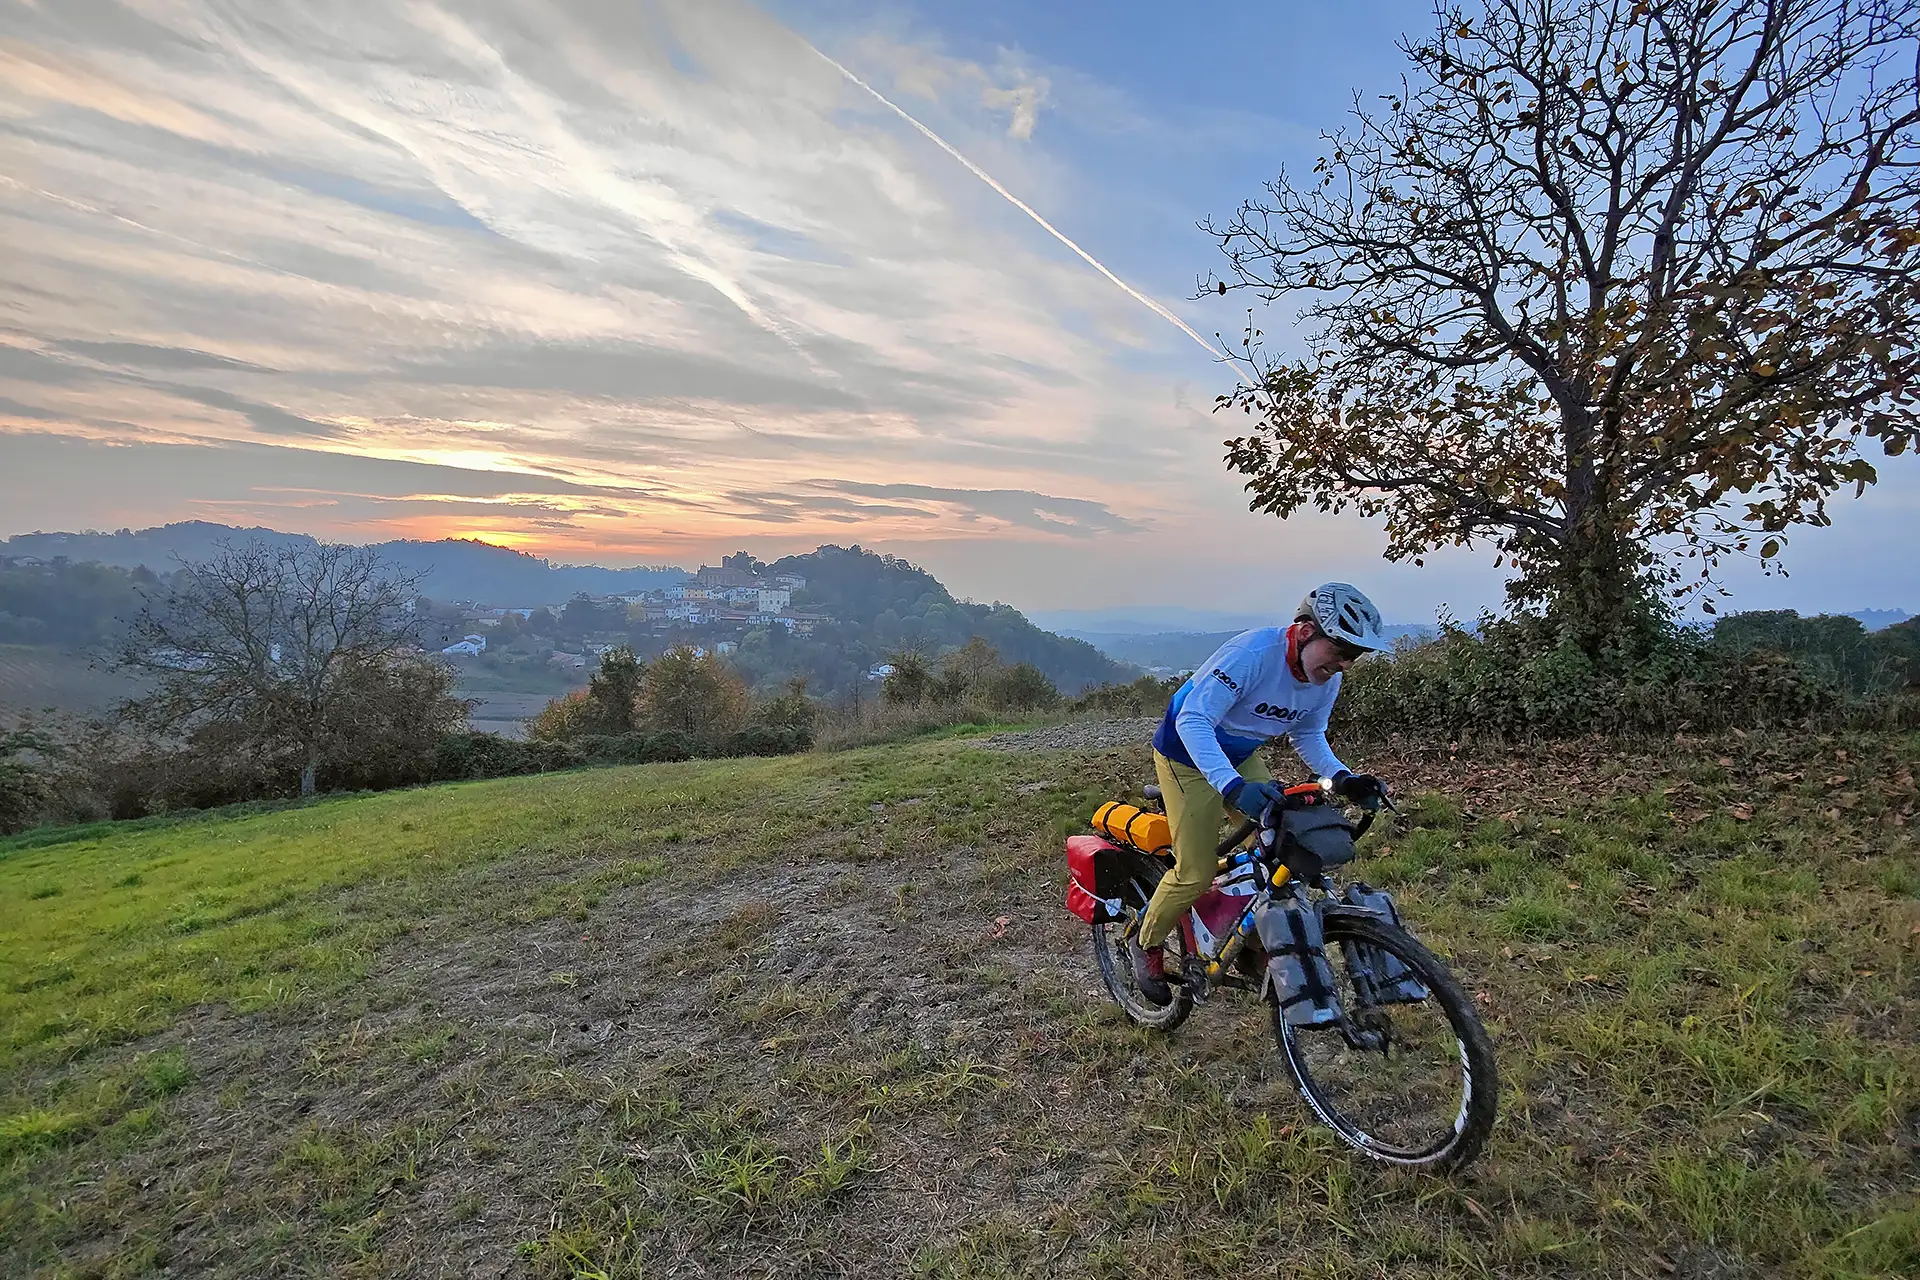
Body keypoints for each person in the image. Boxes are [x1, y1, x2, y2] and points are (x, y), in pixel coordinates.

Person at [1130, 582, 1392, 1003]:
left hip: (1239, 752)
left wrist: (1344, 778)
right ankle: (1147, 943)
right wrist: (1233, 787)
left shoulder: (1324, 678)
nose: (1345, 663)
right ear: (1306, 631)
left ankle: (1249, 945)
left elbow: (1309, 733)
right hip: (1185, 753)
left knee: (1271, 847)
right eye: (1340, 649)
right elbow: (1194, 720)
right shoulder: (1253, 654)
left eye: (1354, 655)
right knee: (1195, 871)